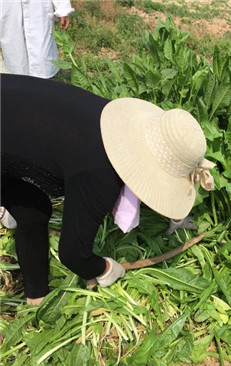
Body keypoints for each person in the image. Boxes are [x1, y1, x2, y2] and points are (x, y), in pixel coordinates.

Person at [1, 74, 216, 305]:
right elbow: (73, 255)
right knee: (34, 212)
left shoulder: (111, 119)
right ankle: (37, 303)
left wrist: (176, 216)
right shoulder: (98, 174)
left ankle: (8, 209)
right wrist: (105, 269)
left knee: (27, 191)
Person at [0, 0, 74, 78]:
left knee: (42, 56)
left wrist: (63, 8)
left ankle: (43, 84)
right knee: (14, 52)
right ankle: (18, 84)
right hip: (8, 8)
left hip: (38, 8)